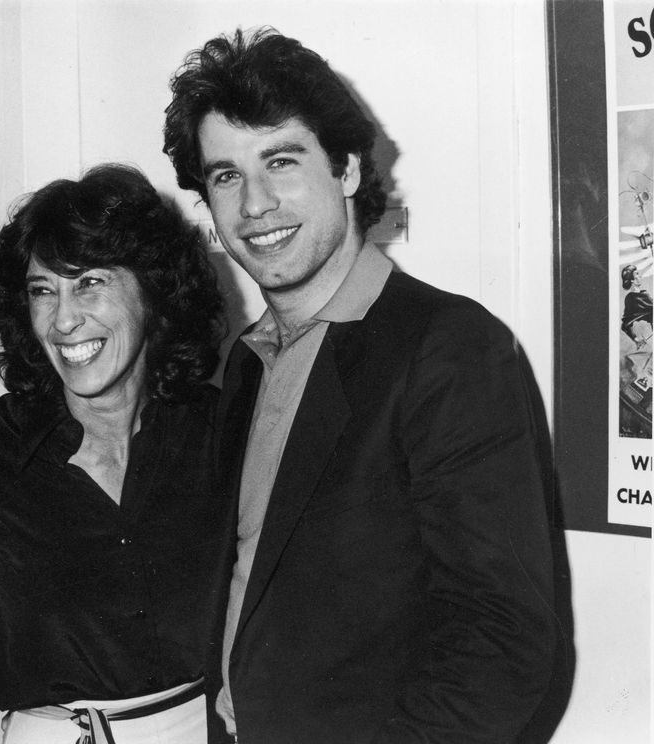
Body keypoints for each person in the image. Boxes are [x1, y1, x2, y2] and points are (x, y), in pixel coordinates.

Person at [163, 28, 560, 743]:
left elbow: (503, 643)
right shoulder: (246, 362)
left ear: (345, 169)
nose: (254, 205)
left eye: (281, 161)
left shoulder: (449, 348)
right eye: (225, 176)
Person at [0, 164, 227, 744]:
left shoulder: (221, 433)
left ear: (152, 290)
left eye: (90, 282)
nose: (64, 319)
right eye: (42, 290)